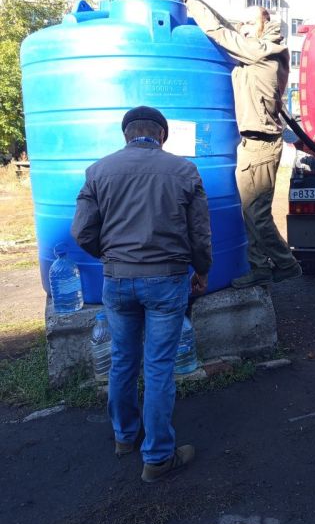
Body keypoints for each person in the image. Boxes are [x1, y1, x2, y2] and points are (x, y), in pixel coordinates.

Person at [71, 106, 212, 483]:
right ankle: (158, 458)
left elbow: (82, 231)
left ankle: (124, 437)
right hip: (167, 281)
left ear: (126, 135)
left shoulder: (98, 171)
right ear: (162, 136)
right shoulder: (184, 171)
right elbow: (199, 233)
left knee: (122, 362)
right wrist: (202, 270)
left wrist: (113, 257)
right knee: (159, 367)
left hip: (117, 281)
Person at [183, 0, 302, 288]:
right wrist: (203, 2)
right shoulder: (257, 49)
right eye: (242, 23)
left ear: (265, 25)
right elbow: (229, 29)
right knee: (250, 215)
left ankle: (287, 265)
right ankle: (260, 268)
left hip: (261, 145)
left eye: (250, 23)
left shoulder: (264, 51)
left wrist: (192, 2)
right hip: (250, 145)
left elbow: (221, 33)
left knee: (256, 215)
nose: (244, 28)